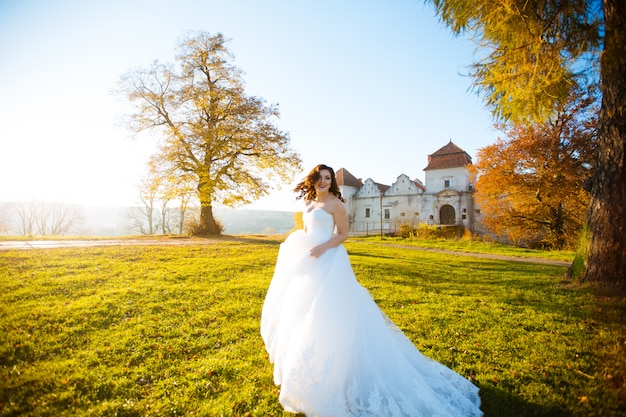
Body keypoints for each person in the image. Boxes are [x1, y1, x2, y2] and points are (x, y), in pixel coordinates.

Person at [260, 164, 483, 417]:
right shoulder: (309, 203)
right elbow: (309, 231)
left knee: (329, 311)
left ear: (332, 183)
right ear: (312, 180)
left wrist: (322, 249)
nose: (323, 182)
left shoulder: (335, 204)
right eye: (319, 178)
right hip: (311, 262)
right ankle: (307, 366)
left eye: (327, 179)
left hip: (330, 260)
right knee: (305, 309)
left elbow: (343, 234)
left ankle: (339, 367)